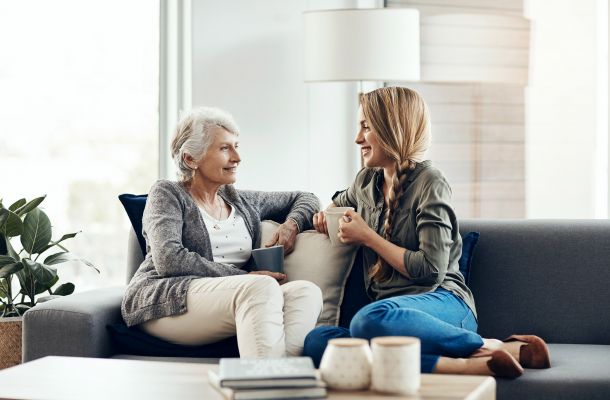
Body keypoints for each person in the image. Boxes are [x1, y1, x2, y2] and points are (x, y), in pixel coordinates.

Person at [303, 87, 550, 378]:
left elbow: (430, 270)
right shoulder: (366, 182)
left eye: (366, 127)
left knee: (370, 321)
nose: (358, 138)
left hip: (443, 304)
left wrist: (368, 236)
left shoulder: (430, 182)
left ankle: (484, 344)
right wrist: (319, 217)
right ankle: (469, 363)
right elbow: (331, 205)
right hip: (391, 317)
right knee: (318, 342)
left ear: (391, 129)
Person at [121, 106, 323, 358]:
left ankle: (284, 378)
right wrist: (243, 276)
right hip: (166, 299)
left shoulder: (239, 200)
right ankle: (263, 387)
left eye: (236, 145)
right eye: (225, 148)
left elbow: (306, 197)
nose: (237, 157)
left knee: (306, 292)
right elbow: (169, 260)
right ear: (190, 159)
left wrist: (291, 225)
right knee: (259, 287)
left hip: (231, 296)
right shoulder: (167, 194)